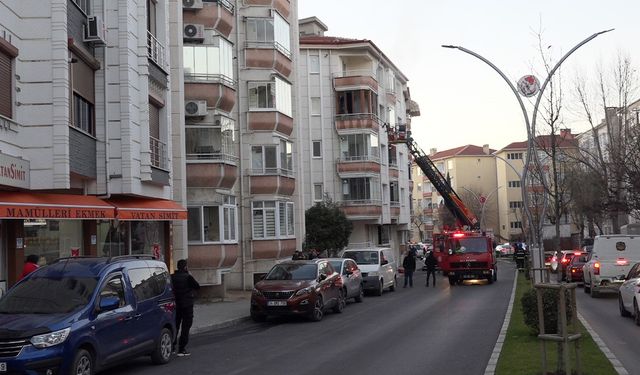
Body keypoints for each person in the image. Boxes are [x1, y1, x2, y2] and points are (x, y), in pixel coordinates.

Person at [171, 259, 200, 357]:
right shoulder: (188, 277)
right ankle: (181, 348)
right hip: (187, 305)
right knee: (185, 327)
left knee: (175, 325)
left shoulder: (172, 277)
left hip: (176, 305)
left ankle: (172, 346)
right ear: (185, 267)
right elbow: (197, 286)